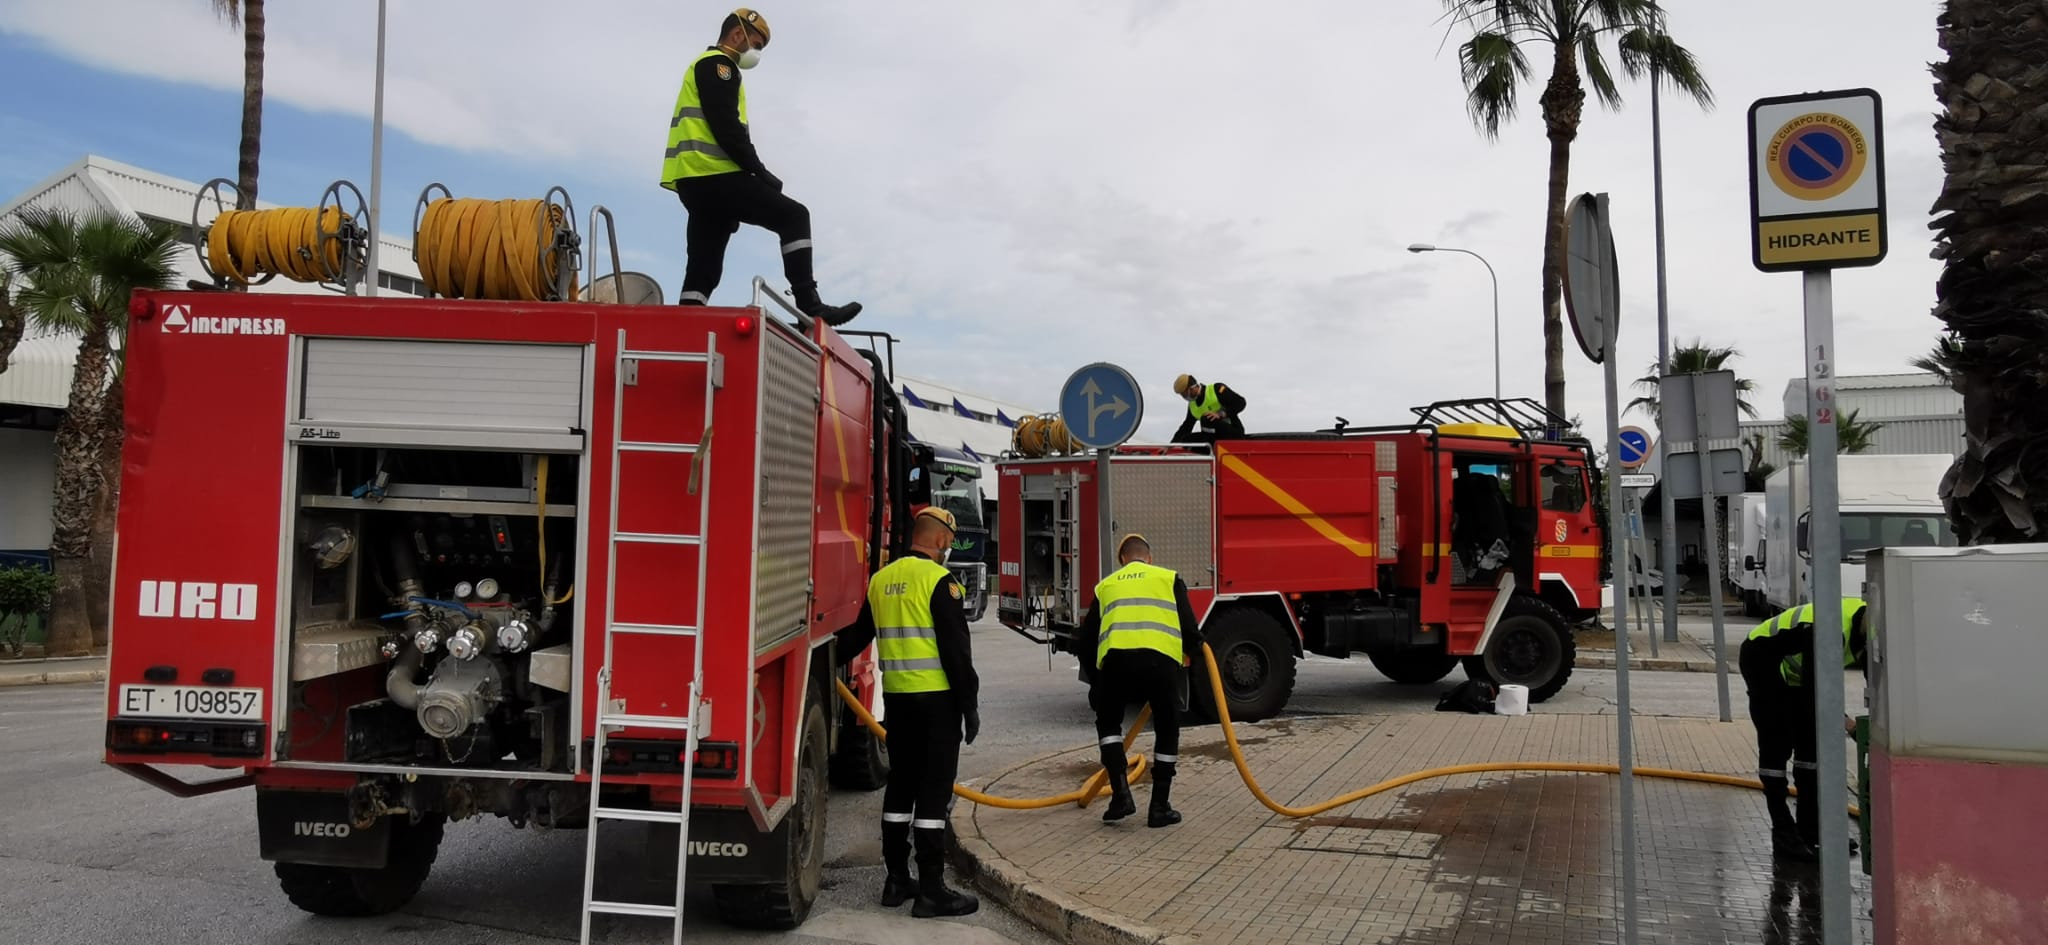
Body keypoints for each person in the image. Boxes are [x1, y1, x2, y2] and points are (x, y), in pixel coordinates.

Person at [659, 8, 862, 325]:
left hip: (693, 181)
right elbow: (726, 128)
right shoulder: (719, 66)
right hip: (717, 174)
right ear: (737, 36)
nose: (755, 53)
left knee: (704, 265)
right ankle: (811, 304)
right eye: (755, 44)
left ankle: (686, 322)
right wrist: (759, 171)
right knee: (794, 216)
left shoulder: (700, 66)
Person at [834, 506, 980, 917]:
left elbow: (856, 637)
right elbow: (956, 652)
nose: (949, 547)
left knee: (900, 788)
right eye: (949, 541)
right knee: (934, 792)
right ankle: (932, 890)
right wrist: (969, 706)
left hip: (896, 701)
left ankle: (896, 880)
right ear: (940, 539)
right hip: (937, 702)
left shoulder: (881, 580)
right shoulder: (940, 581)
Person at [1073, 534, 1205, 827]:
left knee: (1108, 725)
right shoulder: (1168, 578)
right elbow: (1189, 628)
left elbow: (1086, 640)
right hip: (1160, 664)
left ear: (1122, 560)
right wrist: (1196, 649)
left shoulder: (1107, 585)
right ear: (1149, 557)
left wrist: (1097, 680)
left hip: (1116, 665)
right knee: (1167, 727)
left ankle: (1120, 795)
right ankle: (1160, 807)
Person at [1740, 598, 1872, 862]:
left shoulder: (1869, 628)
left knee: (1810, 747)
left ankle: (1812, 830)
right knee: (1777, 743)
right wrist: (1848, 724)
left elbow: (1877, 680)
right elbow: (1817, 693)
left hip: (1795, 668)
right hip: (1762, 658)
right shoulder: (1829, 628)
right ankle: (1784, 834)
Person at [1170, 374, 1246, 443]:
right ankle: (1210, 451)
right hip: (1212, 437)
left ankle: (1215, 448)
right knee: (1185, 440)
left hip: (1233, 433)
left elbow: (1241, 402)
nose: (1184, 397)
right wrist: (1171, 446)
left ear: (1192, 388)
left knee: (1206, 418)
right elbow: (1186, 427)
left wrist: (1220, 414)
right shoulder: (1192, 405)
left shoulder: (1216, 389)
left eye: (1184, 394)